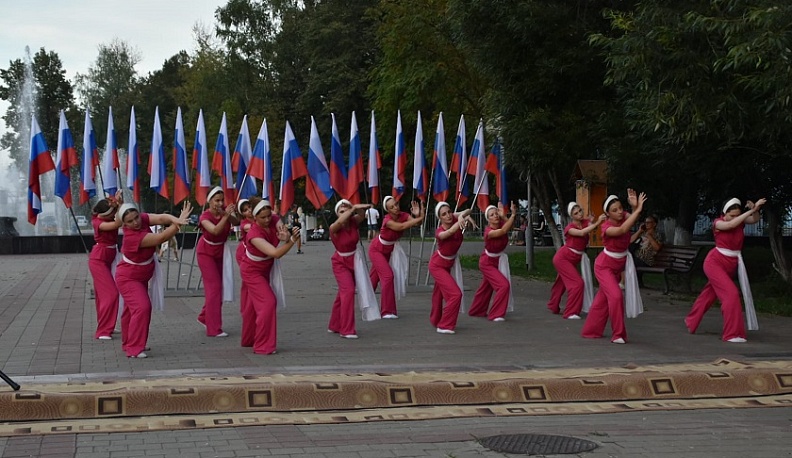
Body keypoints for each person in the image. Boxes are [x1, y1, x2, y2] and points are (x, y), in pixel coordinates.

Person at [116, 201, 192, 358]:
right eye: (130, 221)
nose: (135, 222)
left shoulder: (142, 219)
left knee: (131, 310)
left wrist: (175, 219)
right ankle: (134, 348)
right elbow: (161, 238)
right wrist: (178, 224)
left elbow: (162, 218)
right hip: (129, 277)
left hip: (141, 274)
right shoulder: (131, 237)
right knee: (142, 307)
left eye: (136, 217)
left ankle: (129, 343)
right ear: (124, 224)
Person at [685, 197, 766, 343]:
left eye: (737, 215)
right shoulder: (718, 222)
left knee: (709, 295)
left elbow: (754, 220)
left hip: (731, 263)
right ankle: (732, 333)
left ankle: (691, 320)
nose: (734, 218)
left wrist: (756, 210)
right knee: (731, 294)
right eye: (731, 215)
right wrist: (750, 211)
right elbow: (731, 225)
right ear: (724, 213)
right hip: (714, 262)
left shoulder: (739, 221)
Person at [581, 189, 647, 344]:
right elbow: (623, 230)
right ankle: (618, 334)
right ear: (607, 214)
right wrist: (637, 210)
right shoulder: (606, 227)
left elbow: (632, 220)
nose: (619, 212)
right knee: (616, 296)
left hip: (618, 266)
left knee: (602, 300)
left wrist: (633, 208)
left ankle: (590, 331)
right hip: (604, 267)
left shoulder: (624, 216)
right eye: (614, 210)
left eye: (620, 208)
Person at [239, 198, 300, 354]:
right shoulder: (253, 233)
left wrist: (286, 236)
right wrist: (292, 241)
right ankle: (262, 346)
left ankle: (248, 339)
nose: (267, 220)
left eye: (268, 216)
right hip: (251, 270)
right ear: (254, 217)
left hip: (266, 268)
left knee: (253, 306)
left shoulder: (273, 218)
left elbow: (282, 233)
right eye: (262, 217)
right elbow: (275, 253)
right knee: (268, 302)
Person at [328, 200, 380, 339]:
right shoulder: (334, 227)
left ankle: (334, 324)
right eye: (341, 211)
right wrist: (353, 208)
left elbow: (362, 216)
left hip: (355, 261)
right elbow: (338, 223)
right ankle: (346, 329)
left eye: (347, 210)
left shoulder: (353, 222)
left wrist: (358, 208)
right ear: (337, 214)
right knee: (349, 291)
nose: (345, 213)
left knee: (343, 293)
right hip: (340, 262)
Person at [547, 202, 606, 320]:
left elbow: (589, 225)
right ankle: (570, 312)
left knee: (561, 283)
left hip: (573, 258)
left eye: (580, 211)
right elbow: (582, 233)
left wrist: (593, 221)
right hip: (563, 258)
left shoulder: (584, 222)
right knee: (577, 284)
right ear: (571, 216)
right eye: (576, 213)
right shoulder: (569, 228)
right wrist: (598, 222)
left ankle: (553, 305)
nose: (579, 214)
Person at [369, 196, 425, 319]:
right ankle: (387, 311)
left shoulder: (403, 215)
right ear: (388, 210)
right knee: (388, 276)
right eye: (392, 207)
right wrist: (419, 218)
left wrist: (418, 215)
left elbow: (417, 223)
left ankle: (366, 301)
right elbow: (401, 227)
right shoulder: (387, 220)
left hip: (388, 250)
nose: (396, 208)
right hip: (376, 250)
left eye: (396, 204)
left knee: (373, 278)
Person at [196, 186, 239, 338]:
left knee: (219, 288)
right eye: (217, 200)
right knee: (214, 288)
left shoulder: (224, 212)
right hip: (205, 252)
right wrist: (225, 217)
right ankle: (214, 328)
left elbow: (237, 222)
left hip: (221, 252)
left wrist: (229, 214)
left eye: (222, 200)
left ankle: (204, 316)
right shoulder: (204, 216)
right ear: (209, 202)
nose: (220, 203)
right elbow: (214, 230)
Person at [468, 202, 517, 322]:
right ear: (488, 219)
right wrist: (513, 214)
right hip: (487, 262)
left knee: (486, 287)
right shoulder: (488, 231)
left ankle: (477, 310)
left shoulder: (501, 223)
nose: (495, 216)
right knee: (503, 285)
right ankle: (496, 314)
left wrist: (504, 216)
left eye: (496, 213)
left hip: (498, 261)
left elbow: (510, 227)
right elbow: (503, 231)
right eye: (492, 215)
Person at [429, 202, 472, 334]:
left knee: (438, 294)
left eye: (449, 212)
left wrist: (461, 216)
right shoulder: (439, 232)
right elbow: (451, 231)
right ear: (439, 218)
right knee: (455, 294)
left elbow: (469, 209)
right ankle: (444, 325)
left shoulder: (453, 217)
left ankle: (435, 320)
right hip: (437, 265)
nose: (448, 215)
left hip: (448, 264)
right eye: (444, 214)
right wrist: (460, 220)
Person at [88, 190, 123, 340]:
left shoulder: (106, 219)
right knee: (111, 294)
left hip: (109, 257)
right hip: (99, 260)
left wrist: (118, 203)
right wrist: (120, 205)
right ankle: (103, 331)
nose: (114, 214)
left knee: (102, 296)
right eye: (112, 212)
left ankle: (106, 325)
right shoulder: (98, 222)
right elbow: (119, 222)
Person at [235, 198, 254, 343]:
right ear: (242, 213)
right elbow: (253, 229)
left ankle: (248, 306)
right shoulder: (245, 224)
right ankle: (245, 308)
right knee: (247, 283)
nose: (249, 211)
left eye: (251, 208)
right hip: (244, 253)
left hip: (254, 254)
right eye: (246, 210)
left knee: (248, 285)